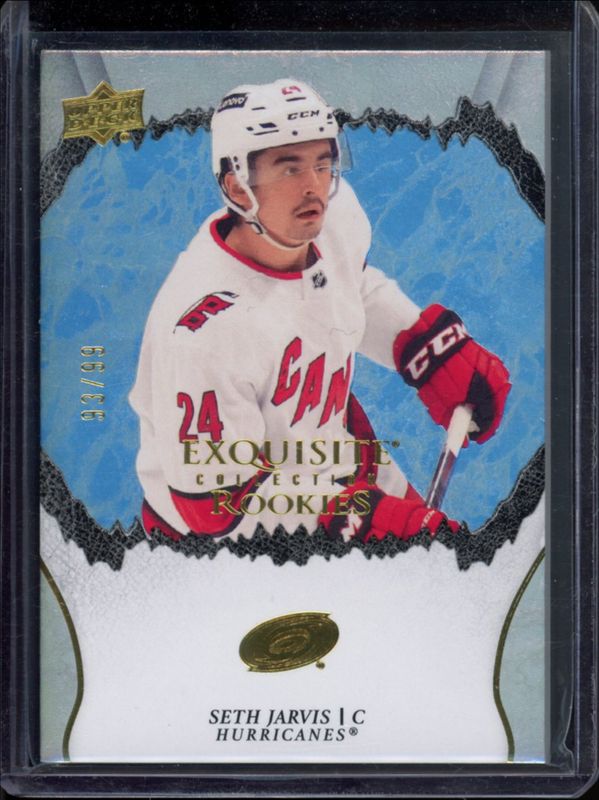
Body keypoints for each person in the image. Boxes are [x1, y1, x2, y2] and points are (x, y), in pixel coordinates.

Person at [129, 78, 511, 544]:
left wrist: (423, 346)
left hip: (331, 461)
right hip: (224, 536)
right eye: (289, 168)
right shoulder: (204, 334)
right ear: (237, 186)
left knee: (443, 559)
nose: (314, 186)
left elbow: (349, 285)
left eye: (323, 163)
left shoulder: (331, 218)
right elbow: (214, 508)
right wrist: (346, 519)